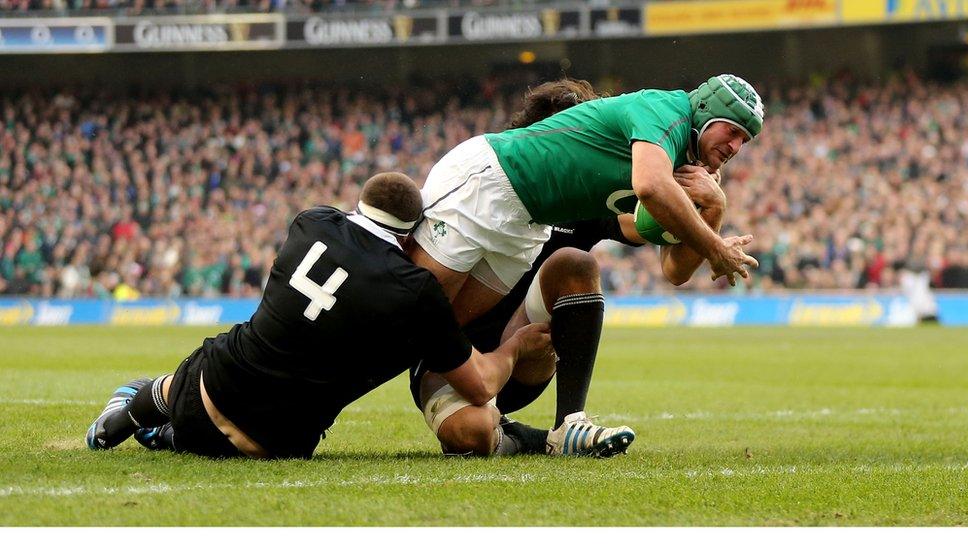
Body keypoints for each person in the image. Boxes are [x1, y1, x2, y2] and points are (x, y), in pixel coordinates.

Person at [84, 172, 551, 459]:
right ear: (414, 236)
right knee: (229, 413)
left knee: (192, 375)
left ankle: (125, 416)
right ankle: (160, 429)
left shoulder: (310, 222)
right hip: (275, 444)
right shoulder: (415, 290)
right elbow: (481, 386)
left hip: (207, 389)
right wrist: (517, 346)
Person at [408, 79, 748, 457]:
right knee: (471, 434)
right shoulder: (497, 192)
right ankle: (521, 438)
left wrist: (712, 211)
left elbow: (673, 262)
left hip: (523, 355)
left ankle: (570, 423)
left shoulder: (589, 204)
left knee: (575, 262)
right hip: (455, 358)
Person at [411, 74, 763, 328]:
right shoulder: (665, 108)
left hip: (529, 221)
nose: (735, 147)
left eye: (744, 141)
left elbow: (674, 271)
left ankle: (499, 415)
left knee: (443, 324)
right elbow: (650, 186)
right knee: (415, 309)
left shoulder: (687, 169)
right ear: (704, 110)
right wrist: (716, 248)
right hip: (493, 180)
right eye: (731, 131)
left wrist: (716, 209)